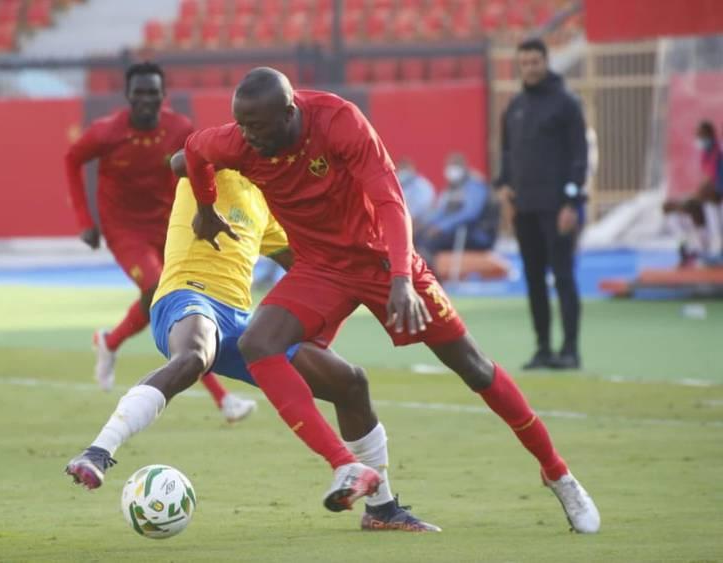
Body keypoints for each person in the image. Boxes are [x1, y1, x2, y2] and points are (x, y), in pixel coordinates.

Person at [184, 67, 600, 534]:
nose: (246, 136)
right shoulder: (238, 141)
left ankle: (557, 472)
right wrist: (205, 209)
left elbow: (389, 200)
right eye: (240, 124)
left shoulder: (340, 121)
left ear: (289, 112)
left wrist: (403, 277)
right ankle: (347, 469)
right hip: (321, 267)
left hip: (383, 262)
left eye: (256, 126)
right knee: (258, 342)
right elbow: (195, 152)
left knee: (474, 367)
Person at [66, 154, 439, 531]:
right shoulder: (213, 167)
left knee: (350, 382)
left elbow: (311, 268)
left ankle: (381, 509)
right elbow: (181, 160)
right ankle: (97, 452)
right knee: (195, 354)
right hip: (185, 296)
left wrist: (374, 275)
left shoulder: (266, 204)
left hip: (239, 320)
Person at [65, 62, 255, 422]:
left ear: (163, 96)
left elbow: (202, 165)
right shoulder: (107, 133)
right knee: (161, 292)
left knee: (167, 296)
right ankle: (223, 398)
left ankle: (109, 341)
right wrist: (84, 220)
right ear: (128, 96)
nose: (146, 100)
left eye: (153, 93)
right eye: (139, 93)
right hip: (125, 230)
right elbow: (72, 158)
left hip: (169, 226)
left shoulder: (179, 129)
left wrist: (206, 211)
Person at [495, 38, 588, 370]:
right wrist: (504, 187)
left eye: (536, 62)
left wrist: (571, 201)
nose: (531, 68)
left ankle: (571, 350)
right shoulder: (515, 106)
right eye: (525, 63)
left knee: (563, 276)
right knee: (534, 280)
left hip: (557, 207)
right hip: (525, 209)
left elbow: (580, 156)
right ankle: (543, 348)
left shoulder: (566, 103)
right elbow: (507, 154)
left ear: (546, 62)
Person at [414, 153, 497, 267]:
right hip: (455, 231)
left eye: (455, 166)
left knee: (430, 242)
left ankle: (432, 276)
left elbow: (470, 213)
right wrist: (424, 224)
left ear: (464, 167)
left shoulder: (475, 185)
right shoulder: (452, 188)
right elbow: (441, 212)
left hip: (476, 233)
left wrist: (442, 227)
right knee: (419, 236)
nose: (451, 171)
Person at [662, 120, 723, 266]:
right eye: (697, 135)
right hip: (709, 196)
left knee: (705, 204)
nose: (699, 139)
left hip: (716, 199)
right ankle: (688, 247)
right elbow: (705, 182)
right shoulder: (706, 154)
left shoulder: (718, 154)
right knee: (669, 208)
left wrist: (698, 196)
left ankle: (711, 249)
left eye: (701, 135)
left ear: (710, 134)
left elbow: (714, 185)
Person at [396, 158, 436, 229]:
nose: (402, 171)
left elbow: (424, 207)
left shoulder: (422, 185)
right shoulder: (396, 186)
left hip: (421, 224)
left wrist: (411, 219)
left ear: (412, 169)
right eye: (401, 168)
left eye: (405, 168)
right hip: (402, 223)